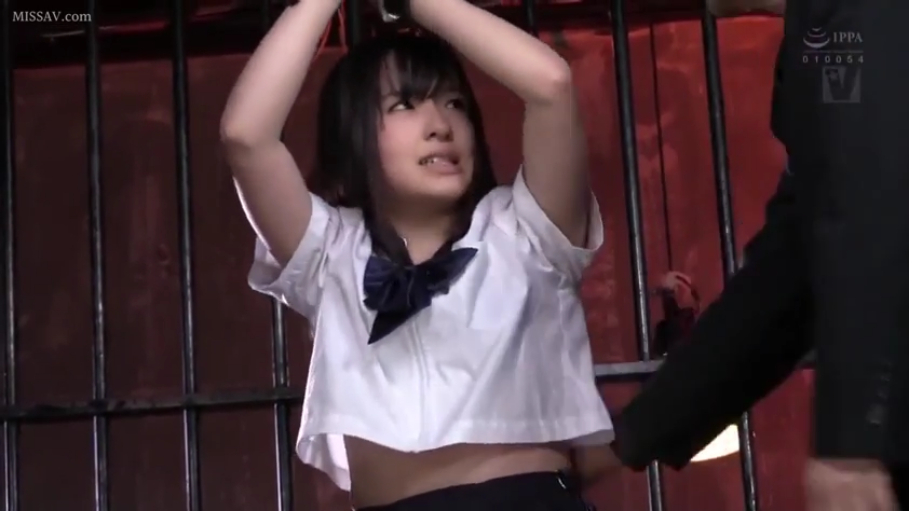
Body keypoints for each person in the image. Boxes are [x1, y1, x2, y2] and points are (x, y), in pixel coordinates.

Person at [219, 0, 612, 509]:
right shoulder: (329, 251)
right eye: (404, 105)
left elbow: (551, 84)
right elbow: (246, 135)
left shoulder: (529, 231)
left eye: (455, 103)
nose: (440, 124)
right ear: (353, 131)